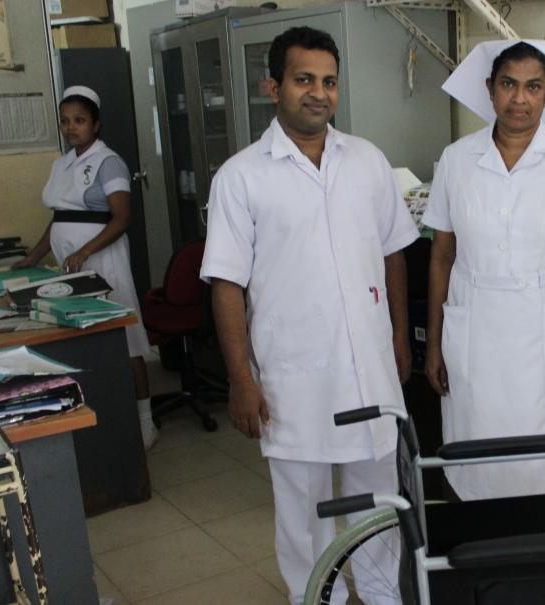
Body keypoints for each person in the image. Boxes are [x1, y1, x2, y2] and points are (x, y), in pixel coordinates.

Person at [200, 26, 416, 605]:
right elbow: (226, 285)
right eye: (304, 80)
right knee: (304, 512)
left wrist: (399, 336)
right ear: (273, 86)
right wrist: (241, 379)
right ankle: (316, 597)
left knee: (380, 504)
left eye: (329, 82)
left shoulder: (367, 161)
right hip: (293, 378)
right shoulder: (241, 177)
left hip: (370, 372)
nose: (318, 93)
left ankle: (380, 596)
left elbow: (394, 251)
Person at [423, 41, 545, 501]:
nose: (520, 99)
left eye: (533, 87)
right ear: (490, 90)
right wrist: (433, 345)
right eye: (509, 85)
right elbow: (442, 258)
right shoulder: (456, 159)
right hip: (477, 338)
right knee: (481, 459)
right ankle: (489, 556)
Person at [13, 85, 158, 449]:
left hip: (103, 260)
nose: (71, 127)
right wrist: (33, 256)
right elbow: (60, 217)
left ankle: (145, 421)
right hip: (70, 265)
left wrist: (85, 251)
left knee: (126, 339)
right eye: (65, 121)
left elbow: (122, 218)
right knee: (85, 337)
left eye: (79, 120)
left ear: (95, 123)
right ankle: (103, 413)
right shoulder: (61, 164)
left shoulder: (109, 162)